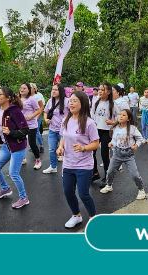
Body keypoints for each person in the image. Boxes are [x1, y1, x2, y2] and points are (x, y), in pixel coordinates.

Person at [57, 91, 99, 228]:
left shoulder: (89, 123)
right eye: (70, 101)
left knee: (83, 194)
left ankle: (93, 218)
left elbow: (95, 143)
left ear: (83, 103)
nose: (71, 103)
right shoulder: (66, 120)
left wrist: (84, 148)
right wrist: (61, 147)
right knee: (68, 192)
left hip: (84, 165)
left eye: (75, 101)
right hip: (68, 163)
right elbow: (63, 136)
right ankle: (76, 216)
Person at [0, 87, 31, 209]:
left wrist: (11, 132)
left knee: (13, 173)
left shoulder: (14, 111)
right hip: (6, 145)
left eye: (0, 95)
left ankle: (24, 197)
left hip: (17, 146)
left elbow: (25, 130)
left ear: (8, 98)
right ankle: (5, 189)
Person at [101, 109, 146, 200]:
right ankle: (109, 185)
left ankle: (141, 190)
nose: (120, 116)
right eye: (120, 114)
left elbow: (139, 138)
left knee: (134, 175)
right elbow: (114, 140)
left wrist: (136, 145)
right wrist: (111, 143)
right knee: (109, 172)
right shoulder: (115, 128)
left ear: (128, 118)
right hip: (117, 154)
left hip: (128, 154)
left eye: (123, 115)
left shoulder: (132, 128)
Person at [91, 82, 121, 186]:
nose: (99, 91)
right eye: (99, 89)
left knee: (104, 154)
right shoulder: (96, 102)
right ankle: (94, 173)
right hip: (96, 130)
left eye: (102, 89)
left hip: (106, 131)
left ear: (108, 92)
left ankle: (108, 177)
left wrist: (113, 122)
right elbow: (92, 116)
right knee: (92, 153)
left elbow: (120, 117)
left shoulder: (112, 104)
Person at [42, 83, 69, 174]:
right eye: (52, 89)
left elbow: (73, 112)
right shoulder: (50, 101)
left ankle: (66, 169)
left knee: (66, 150)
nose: (53, 91)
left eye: (55, 90)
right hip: (52, 130)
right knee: (52, 149)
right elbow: (45, 112)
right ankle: (53, 166)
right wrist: (46, 119)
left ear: (60, 91)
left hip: (64, 131)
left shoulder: (67, 101)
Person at [19, 83, 42, 169]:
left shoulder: (32, 99)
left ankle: (38, 160)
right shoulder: (18, 99)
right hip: (22, 125)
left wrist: (31, 116)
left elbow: (38, 110)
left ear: (29, 90)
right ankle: (23, 158)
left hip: (31, 124)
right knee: (21, 142)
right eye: (21, 88)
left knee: (32, 143)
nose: (22, 89)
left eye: (24, 88)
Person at [31, 83, 45, 153]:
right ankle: (34, 145)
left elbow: (41, 107)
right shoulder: (27, 97)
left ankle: (41, 146)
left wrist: (38, 116)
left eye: (30, 88)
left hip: (37, 116)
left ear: (34, 89)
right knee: (32, 132)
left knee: (36, 132)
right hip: (31, 117)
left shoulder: (37, 97)